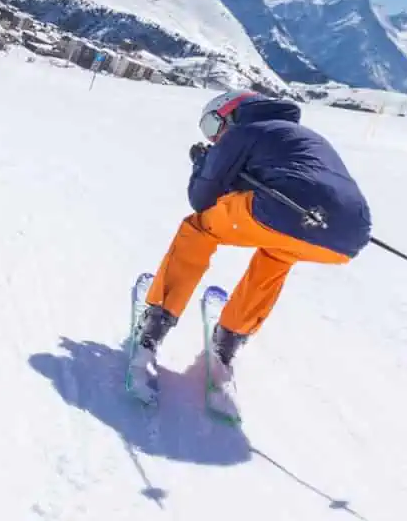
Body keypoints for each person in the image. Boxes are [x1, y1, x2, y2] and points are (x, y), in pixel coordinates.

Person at [134, 91, 370, 407]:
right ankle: (229, 339)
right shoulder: (300, 137)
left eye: (212, 125)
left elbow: (201, 198)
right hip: (346, 238)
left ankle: (154, 325)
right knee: (278, 252)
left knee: (199, 227)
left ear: (231, 114)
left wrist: (204, 163)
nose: (213, 135)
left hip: (286, 211)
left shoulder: (245, 131)